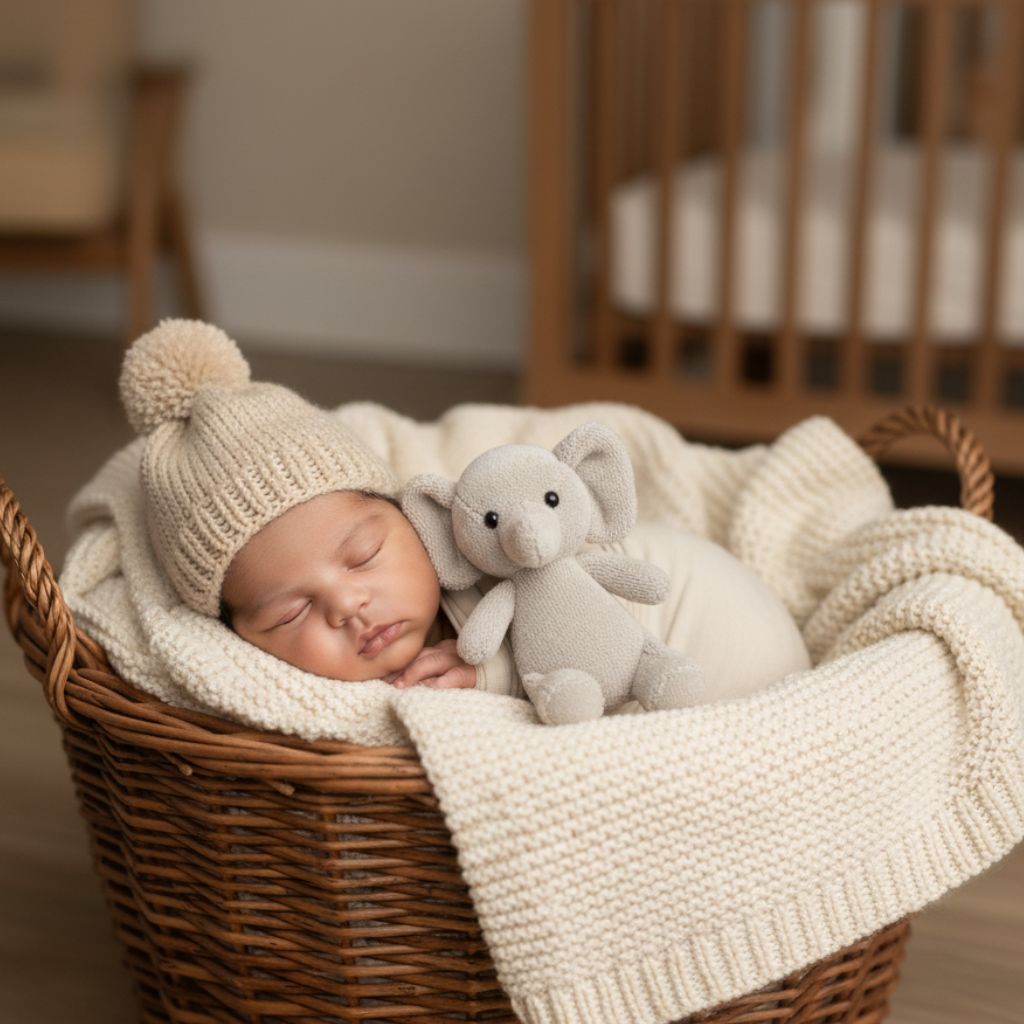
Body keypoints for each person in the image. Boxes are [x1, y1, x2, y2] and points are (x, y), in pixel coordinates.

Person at [121, 318, 810, 706]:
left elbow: (578, 640)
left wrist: (490, 677)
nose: (347, 607)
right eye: (288, 614)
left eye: (363, 556)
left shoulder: (490, 553)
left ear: (415, 520)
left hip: (723, 653)